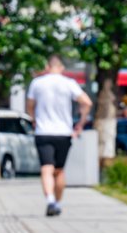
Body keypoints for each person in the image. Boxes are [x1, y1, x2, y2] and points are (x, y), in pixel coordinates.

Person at [26, 55, 93, 217]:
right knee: (59, 171)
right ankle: (58, 203)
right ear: (61, 68)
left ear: (47, 66)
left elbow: (29, 106)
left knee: (46, 168)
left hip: (43, 131)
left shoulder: (37, 83)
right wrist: (80, 123)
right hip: (64, 132)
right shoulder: (69, 83)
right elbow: (87, 102)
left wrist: (34, 120)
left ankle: (50, 200)